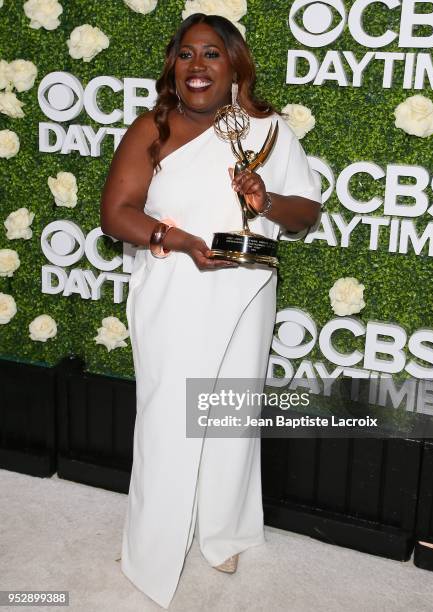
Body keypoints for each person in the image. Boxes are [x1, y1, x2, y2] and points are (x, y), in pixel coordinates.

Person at [100, 12, 321, 609]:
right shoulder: (153, 127)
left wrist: (266, 198)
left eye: (212, 55)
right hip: (174, 284)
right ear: (174, 64)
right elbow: (116, 213)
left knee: (228, 415)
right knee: (169, 416)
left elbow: (306, 214)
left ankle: (221, 531)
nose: (197, 65)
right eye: (187, 54)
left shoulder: (268, 130)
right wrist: (179, 242)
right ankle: (152, 539)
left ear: (234, 67)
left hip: (245, 289)